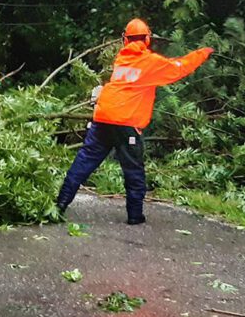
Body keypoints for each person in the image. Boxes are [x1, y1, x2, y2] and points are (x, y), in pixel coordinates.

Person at [55, 19, 212, 225]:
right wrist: (203, 53)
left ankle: (59, 205)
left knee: (85, 160)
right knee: (133, 168)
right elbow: (179, 68)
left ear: (124, 40)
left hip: (103, 117)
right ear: (147, 38)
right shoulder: (149, 62)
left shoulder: (121, 59)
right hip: (126, 122)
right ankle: (135, 215)